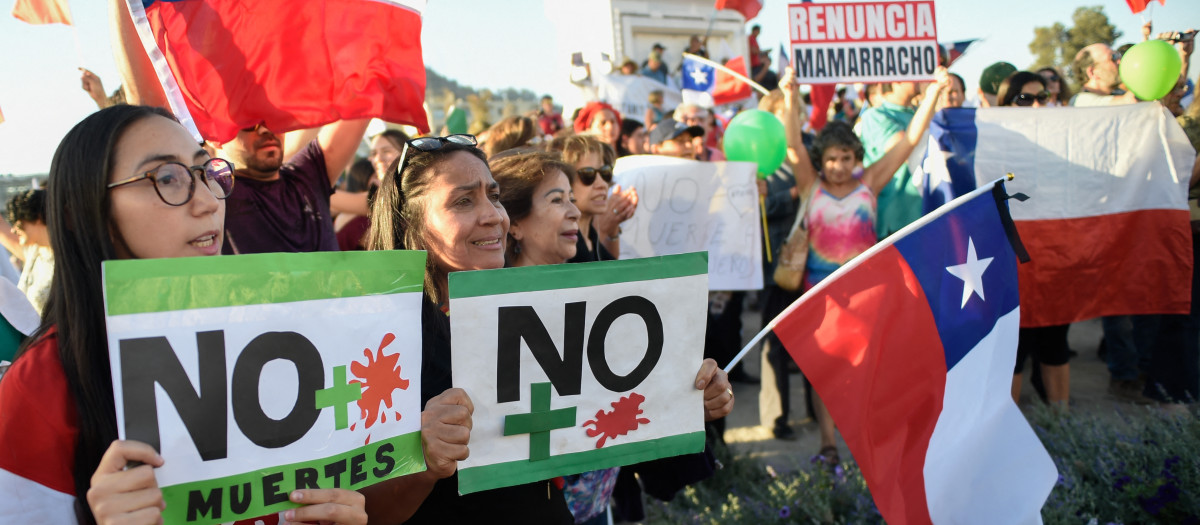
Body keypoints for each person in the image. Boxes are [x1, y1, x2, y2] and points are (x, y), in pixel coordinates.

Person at [0, 105, 368, 524]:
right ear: (79, 211)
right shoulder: (40, 387)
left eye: (206, 172)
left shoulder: (266, 339)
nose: (208, 201)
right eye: (167, 178)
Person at [491, 149, 734, 525]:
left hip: (598, 506)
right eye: (557, 200)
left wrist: (692, 396)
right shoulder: (483, 316)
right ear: (515, 224)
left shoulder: (605, 300)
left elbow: (634, 396)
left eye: (573, 198)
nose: (574, 211)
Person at [781, 66, 949, 464]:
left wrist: (936, 92)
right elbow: (793, 147)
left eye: (846, 158)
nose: (839, 165)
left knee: (872, 372)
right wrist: (790, 96)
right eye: (832, 158)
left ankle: (869, 440)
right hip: (819, 295)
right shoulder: (811, 185)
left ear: (857, 157)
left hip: (868, 295)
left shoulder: (869, 183)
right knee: (827, 373)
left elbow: (909, 141)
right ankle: (828, 444)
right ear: (821, 159)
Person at [994, 71, 1072, 408]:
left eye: (1043, 96)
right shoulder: (990, 145)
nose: (1037, 104)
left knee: (1055, 344)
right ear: (1006, 104)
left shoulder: (1068, 141)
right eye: (1025, 98)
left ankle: (1063, 427)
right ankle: (1008, 434)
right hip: (1012, 262)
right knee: (1015, 351)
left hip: (1055, 260)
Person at [551, 134, 636, 261]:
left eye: (605, 172)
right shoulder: (561, 243)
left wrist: (612, 228)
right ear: (563, 181)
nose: (602, 184)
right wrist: (605, 227)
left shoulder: (590, 236)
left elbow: (613, 270)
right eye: (588, 174)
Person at [0, 189, 53, 314]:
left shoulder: (69, 258)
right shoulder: (33, 253)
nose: (13, 230)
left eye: (18, 224)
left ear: (38, 217)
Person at [1070, 44, 1137, 106]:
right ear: (1092, 72)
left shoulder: (1119, 93)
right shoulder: (1079, 102)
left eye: (1118, 55)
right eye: (1113, 57)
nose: (1120, 61)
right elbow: (1130, 100)